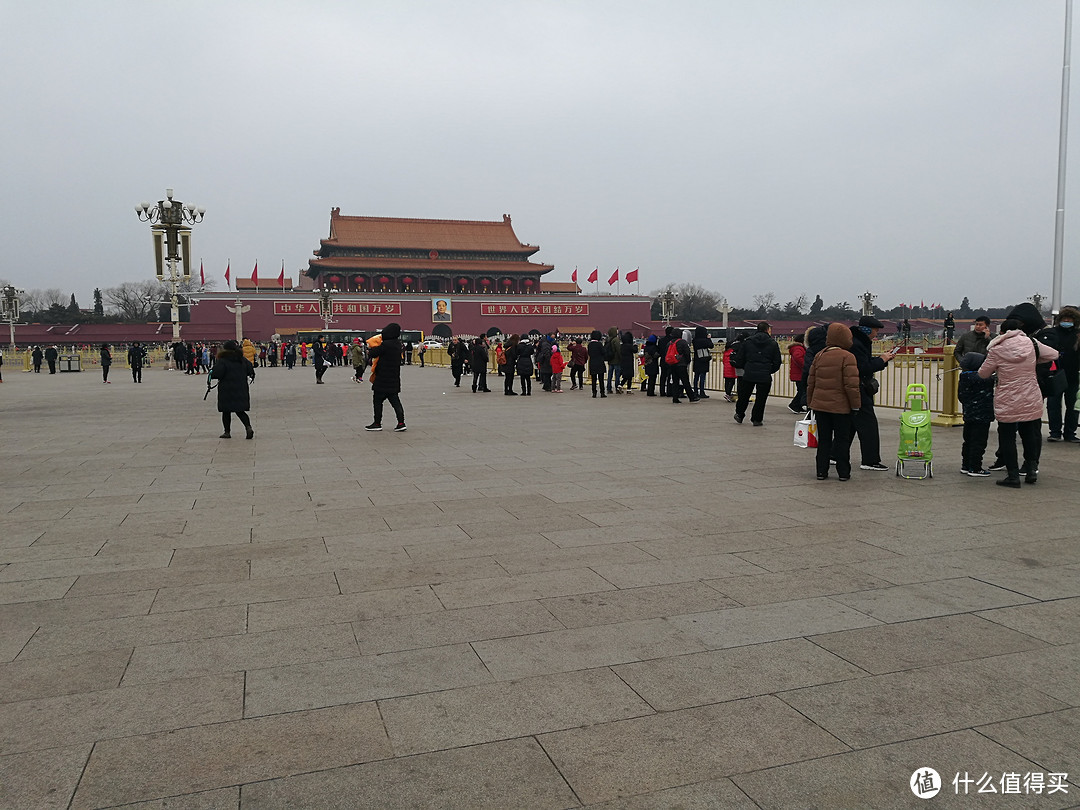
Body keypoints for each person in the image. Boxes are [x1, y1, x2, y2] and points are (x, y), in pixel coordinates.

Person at [980, 317, 1057, 487]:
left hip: (1007, 397)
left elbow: (983, 373)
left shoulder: (996, 348)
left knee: (1007, 437)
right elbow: (1054, 354)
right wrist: (1033, 361)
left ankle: (1013, 476)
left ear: (1003, 332)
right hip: (1030, 395)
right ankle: (1031, 471)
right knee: (1029, 433)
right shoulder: (1032, 343)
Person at [807, 323, 861, 481]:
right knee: (842, 440)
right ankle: (843, 472)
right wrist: (855, 405)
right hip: (841, 407)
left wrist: (811, 401)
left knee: (823, 440)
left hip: (820, 406)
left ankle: (821, 471)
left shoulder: (820, 355)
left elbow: (811, 382)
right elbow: (851, 385)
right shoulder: (847, 357)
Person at [844, 315, 897, 470]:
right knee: (869, 426)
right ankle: (870, 460)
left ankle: (835, 454)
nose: (876, 334)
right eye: (875, 331)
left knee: (850, 424)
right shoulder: (858, 344)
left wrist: (883, 360)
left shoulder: (857, 341)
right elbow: (862, 367)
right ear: (867, 330)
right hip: (859, 389)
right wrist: (881, 360)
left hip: (853, 388)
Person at [1034, 306, 1080, 442]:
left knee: (1072, 406)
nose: (1067, 321)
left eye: (1070, 319)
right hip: (1054, 374)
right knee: (1053, 405)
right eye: (1064, 318)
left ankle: (1070, 433)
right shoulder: (1052, 333)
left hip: (1073, 375)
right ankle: (1055, 432)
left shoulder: (1078, 335)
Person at [733, 322, 781, 425]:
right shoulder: (773, 343)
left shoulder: (747, 342)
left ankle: (739, 414)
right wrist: (769, 370)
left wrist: (746, 367)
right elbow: (777, 361)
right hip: (764, 374)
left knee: (744, 396)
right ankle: (757, 419)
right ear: (767, 330)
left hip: (749, 372)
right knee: (761, 398)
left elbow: (740, 358)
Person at [957, 352, 995, 476]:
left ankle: (966, 465)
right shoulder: (983, 378)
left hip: (969, 415)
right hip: (982, 416)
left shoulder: (963, 377)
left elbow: (962, 397)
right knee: (979, 442)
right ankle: (975, 467)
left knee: (967, 441)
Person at [365, 322, 407, 431]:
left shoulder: (385, 345)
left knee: (377, 401)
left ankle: (377, 423)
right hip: (394, 378)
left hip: (382, 379)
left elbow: (373, 353)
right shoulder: (398, 345)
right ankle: (401, 422)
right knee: (395, 402)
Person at [211, 339, 256, 439]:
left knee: (226, 411)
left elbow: (216, 374)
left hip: (226, 389)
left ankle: (227, 432)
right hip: (241, 388)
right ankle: (248, 427)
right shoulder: (242, 359)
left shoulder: (222, 360)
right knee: (240, 411)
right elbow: (250, 370)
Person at [670, 329, 697, 404]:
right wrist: (688, 361)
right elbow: (687, 352)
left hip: (672, 364)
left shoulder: (670, 342)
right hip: (681, 364)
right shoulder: (682, 342)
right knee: (685, 381)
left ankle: (675, 398)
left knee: (675, 381)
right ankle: (692, 397)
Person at [787, 333, 807, 412]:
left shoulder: (797, 348)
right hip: (799, 373)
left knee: (801, 390)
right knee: (802, 391)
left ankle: (797, 405)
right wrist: (805, 365)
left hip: (798, 373)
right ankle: (794, 405)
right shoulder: (798, 348)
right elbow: (798, 357)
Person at [587, 329, 607, 398]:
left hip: (592, 363)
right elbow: (603, 352)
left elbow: (589, 353)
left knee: (593, 379)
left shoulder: (589, 345)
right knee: (601, 379)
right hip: (600, 363)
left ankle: (594, 393)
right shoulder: (599, 344)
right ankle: (602, 392)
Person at [657, 326, 675, 396]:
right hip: (670, 359)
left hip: (663, 359)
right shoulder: (672, 341)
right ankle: (669, 391)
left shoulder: (661, 340)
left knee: (663, 376)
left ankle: (662, 391)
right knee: (670, 376)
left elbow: (659, 350)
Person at [604, 327, 621, 393]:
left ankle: (609, 388)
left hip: (610, 359)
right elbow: (618, 349)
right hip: (616, 359)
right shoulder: (616, 340)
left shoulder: (608, 339)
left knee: (610, 375)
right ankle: (617, 388)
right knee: (617, 375)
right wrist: (621, 358)